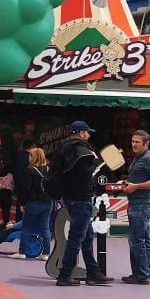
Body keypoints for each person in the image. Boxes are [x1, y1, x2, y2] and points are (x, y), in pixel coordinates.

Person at [47, 120, 112, 286]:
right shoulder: (81, 150)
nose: (89, 135)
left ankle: (92, 272)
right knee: (77, 237)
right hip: (81, 198)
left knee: (87, 236)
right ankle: (65, 274)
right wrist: (97, 162)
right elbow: (84, 174)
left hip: (70, 197)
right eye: (87, 132)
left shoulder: (64, 147)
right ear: (81, 132)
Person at [121, 129, 150, 285]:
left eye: (137, 142)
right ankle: (149, 273)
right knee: (144, 240)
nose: (134, 144)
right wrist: (128, 183)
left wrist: (135, 187)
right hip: (140, 202)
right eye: (133, 141)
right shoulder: (141, 158)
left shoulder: (149, 158)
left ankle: (141, 275)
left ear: (146, 143)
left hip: (141, 203)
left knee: (136, 240)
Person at [9, 147, 51, 261]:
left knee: (26, 227)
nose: (28, 157)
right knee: (45, 228)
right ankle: (46, 254)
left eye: (30, 155)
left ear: (34, 157)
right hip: (48, 202)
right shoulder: (49, 169)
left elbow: (27, 189)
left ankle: (22, 252)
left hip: (34, 202)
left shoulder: (30, 170)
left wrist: (22, 203)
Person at [0, 154, 15, 227]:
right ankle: (7, 225)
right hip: (8, 193)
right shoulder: (11, 175)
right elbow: (13, 184)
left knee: (3, 210)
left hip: (1, 193)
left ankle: (5, 224)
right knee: (7, 210)